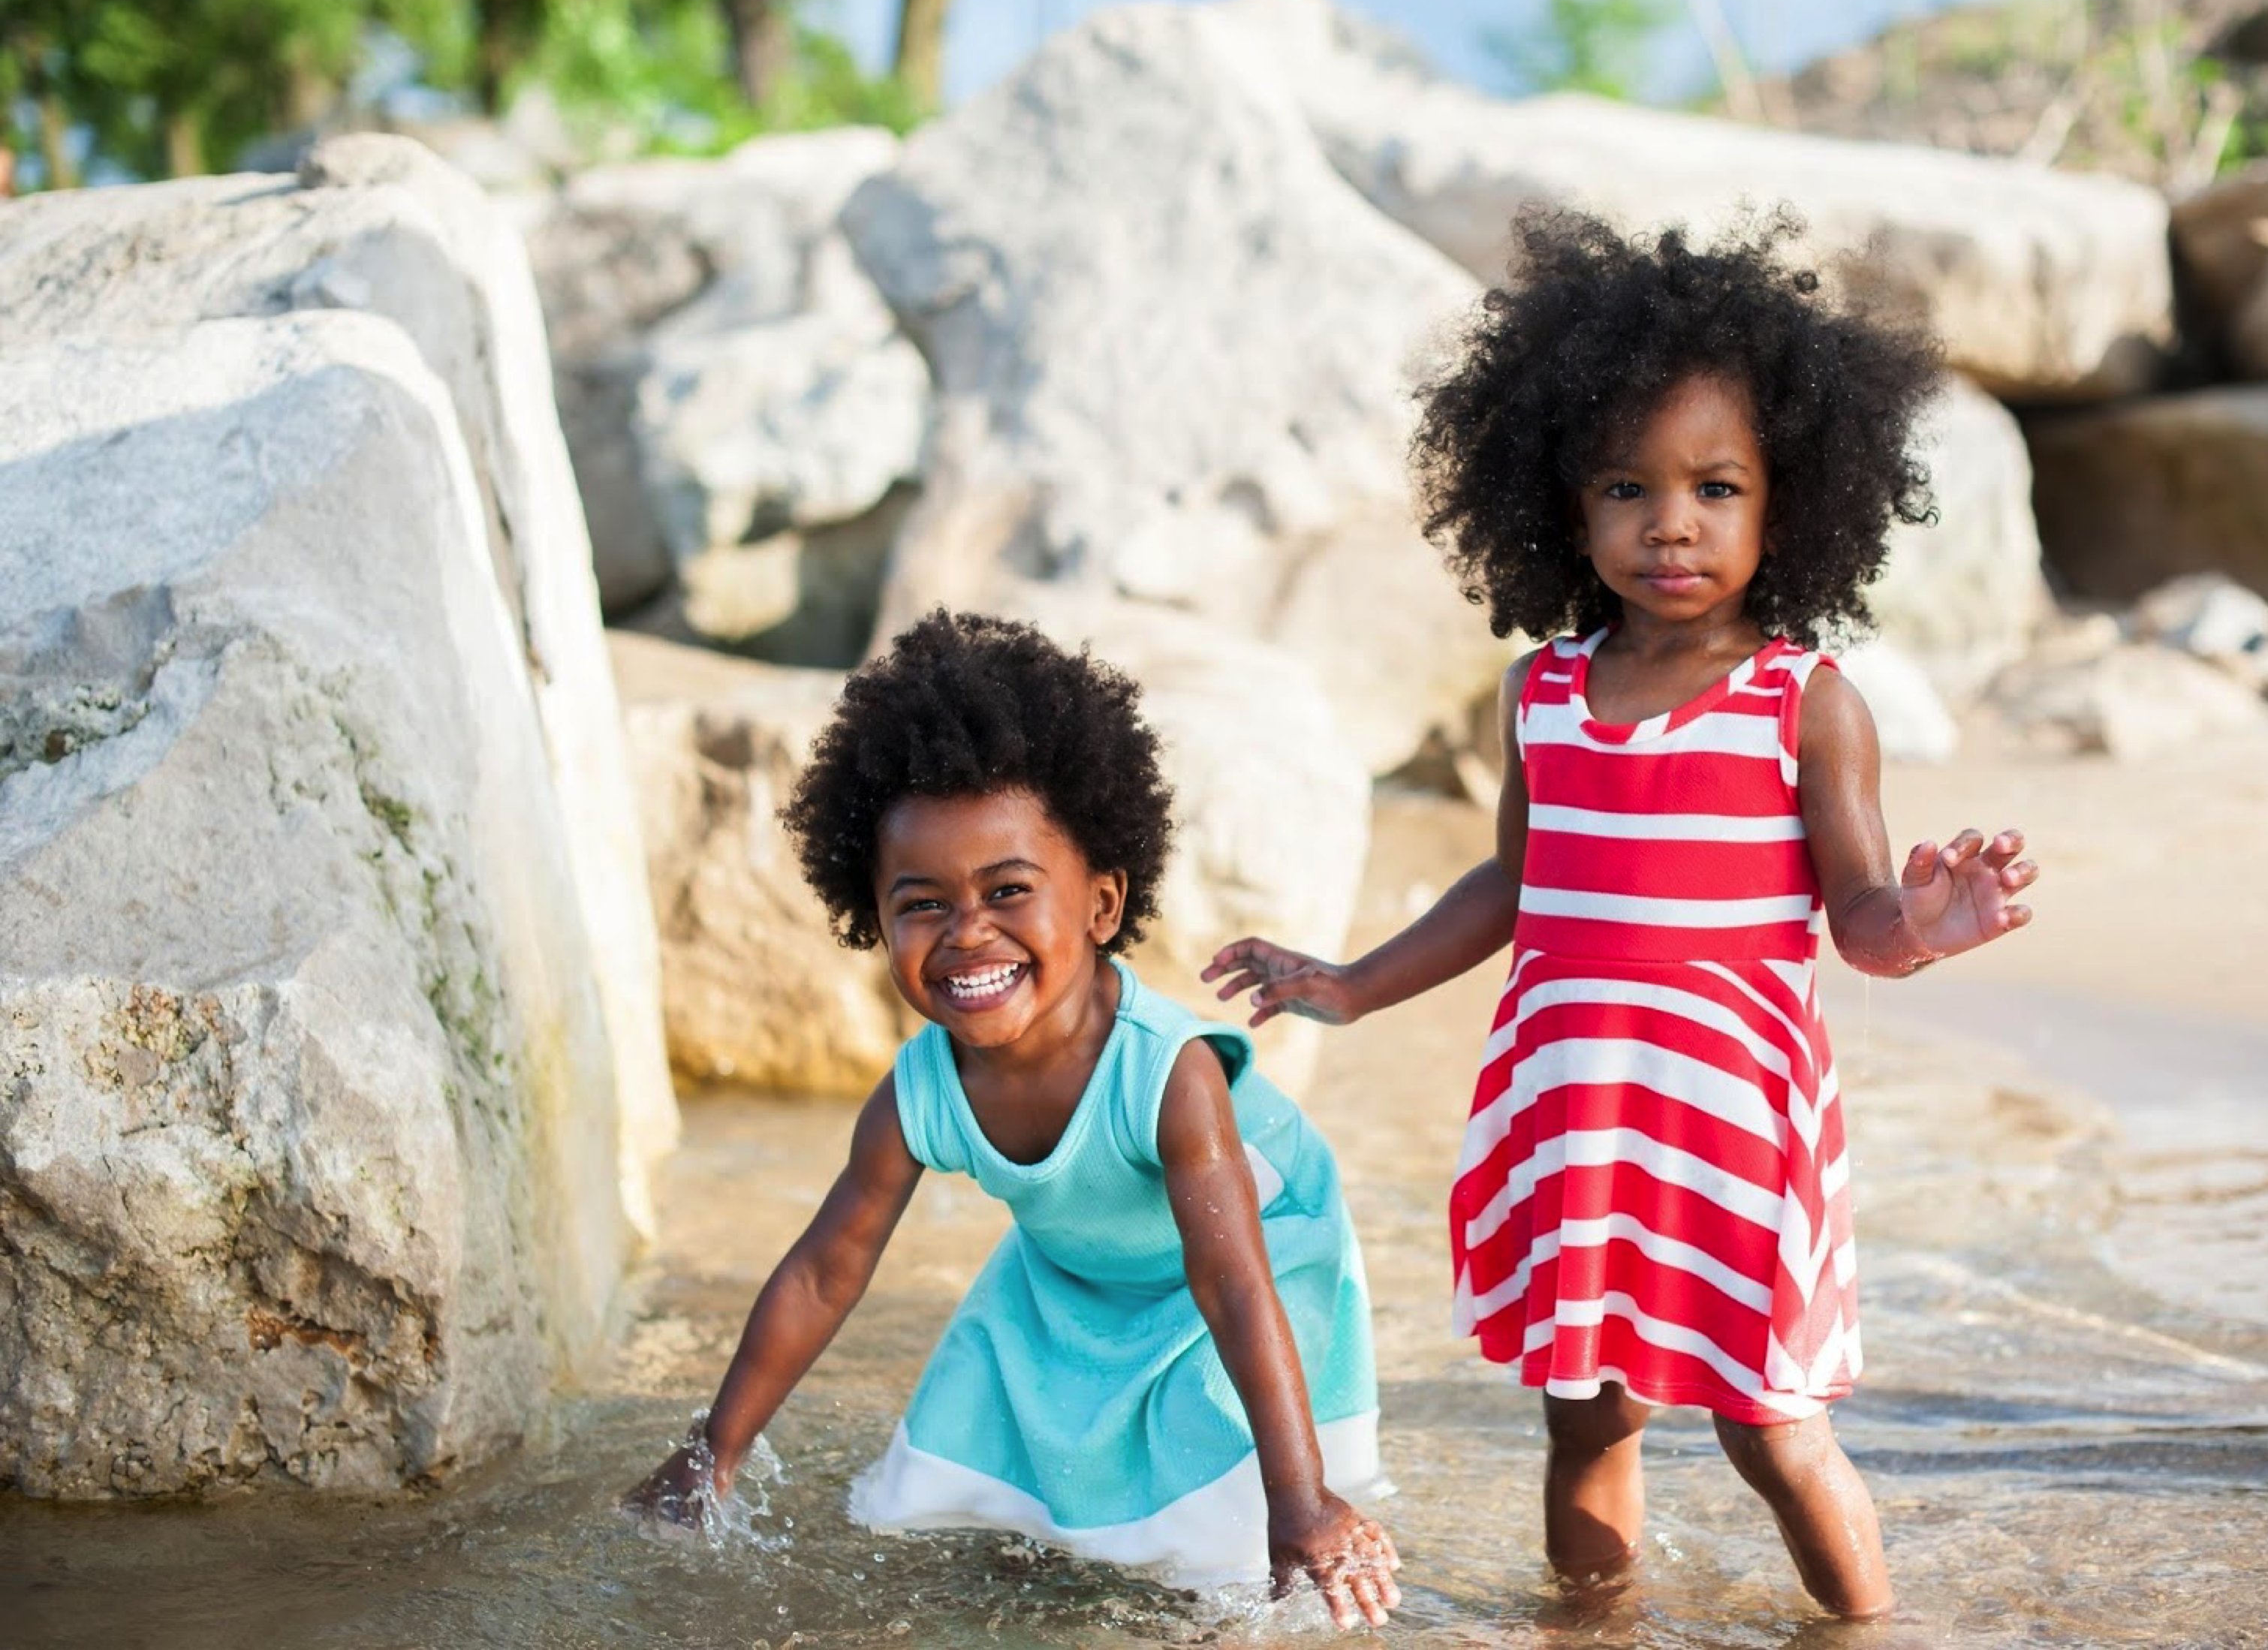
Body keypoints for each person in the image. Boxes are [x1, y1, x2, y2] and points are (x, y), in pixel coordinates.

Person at [1203, 209, 2038, 1621]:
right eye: (1624, 488)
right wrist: (1350, 985)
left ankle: (1869, 1629)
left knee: (1768, 1426)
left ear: (1789, 501)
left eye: (1717, 486)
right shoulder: (1541, 693)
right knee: (1586, 1419)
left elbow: (1859, 918)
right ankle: (1589, 1623)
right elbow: (1512, 889)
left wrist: (1928, 925)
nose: (1670, 522)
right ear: (1559, 503)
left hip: (1727, 1131)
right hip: (1578, 1113)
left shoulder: (1803, 703)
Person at [628, 610, 1400, 1630]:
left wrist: (1300, 1501)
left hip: (1254, 1255)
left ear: (1102, 902)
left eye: (1007, 891)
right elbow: (825, 1270)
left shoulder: (1167, 1078)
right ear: (871, 915)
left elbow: (1232, 1282)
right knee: (976, 1508)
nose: (966, 934)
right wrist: (710, 1449)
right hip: (1080, 1265)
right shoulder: (920, 1094)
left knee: (1215, 1546)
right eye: (920, 904)